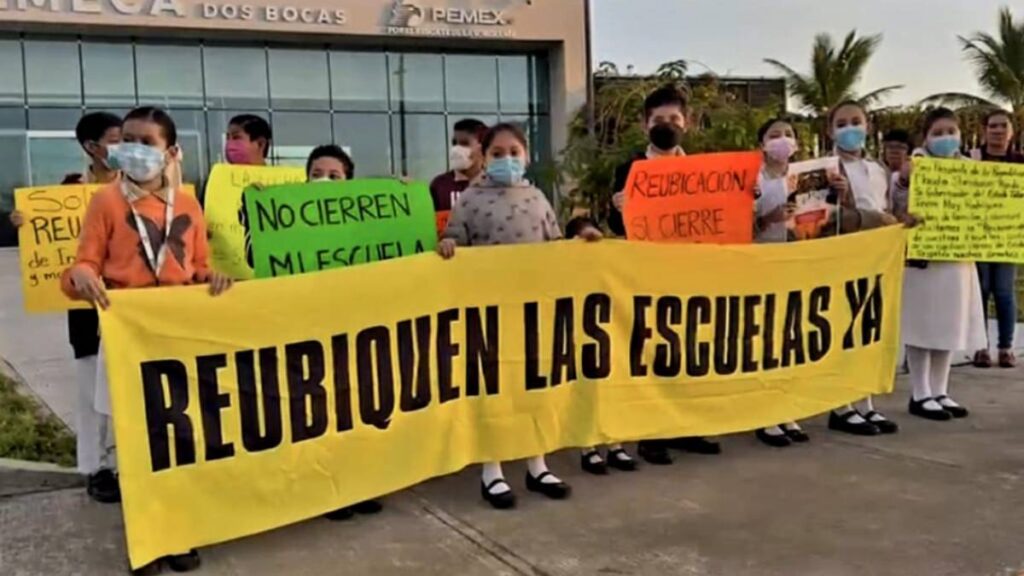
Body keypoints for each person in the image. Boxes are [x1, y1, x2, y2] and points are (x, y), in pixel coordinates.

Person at [60, 106, 233, 576]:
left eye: (146, 142)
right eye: (127, 139)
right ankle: (148, 540)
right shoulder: (106, 203)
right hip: (128, 338)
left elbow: (195, 267)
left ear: (171, 152)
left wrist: (211, 278)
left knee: (180, 438)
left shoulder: (189, 206)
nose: (133, 149)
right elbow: (84, 266)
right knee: (135, 445)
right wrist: (79, 274)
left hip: (176, 339)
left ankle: (178, 530)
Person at [437, 123, 601, 509]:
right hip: (488, 314)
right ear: (484, 156)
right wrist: (447, 244)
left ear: (526, 156)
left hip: (535, 314)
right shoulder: (470, 200)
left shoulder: (538, 198)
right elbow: (454, 241)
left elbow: (554, 246)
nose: (506, 160)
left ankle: (537, 464)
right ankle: (491, 471)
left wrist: (582, 244)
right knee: (494, 392)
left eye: (514, 152)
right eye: (497, 153)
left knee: (535, 387)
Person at [9, 112, 123, 503]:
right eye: (116, 138)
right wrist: (23, 222)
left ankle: (126, 463)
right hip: (85, 306)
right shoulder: (70, 191)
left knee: (125, 391)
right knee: (91, 391)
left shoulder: (139, 187)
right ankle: (96, 467)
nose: (125, 146)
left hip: (130, 302)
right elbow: (47, 236)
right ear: (92, 147)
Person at [606, 85, 722, 465]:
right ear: (645, 125)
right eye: (659, 121)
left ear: (685, 123)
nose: (667, 126)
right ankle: (650, 433)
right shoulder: (631, 170)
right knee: (650, 352)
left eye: (674, 120)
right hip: (645, 274)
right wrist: (618, 207)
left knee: (688, 350)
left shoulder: (701, 171)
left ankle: (686, 427)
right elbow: (613, 223)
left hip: (689, 272)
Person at [893, 107, 986, 421]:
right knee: (921, 327)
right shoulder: (912, 170)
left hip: (957, 260)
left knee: (949, 325)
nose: (946, 138)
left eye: (951, 131)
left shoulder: (971, 169)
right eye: (938, 133)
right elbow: (896, 206)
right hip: (922, 261)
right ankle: (920, 393)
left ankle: (941, 389)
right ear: (925, 137)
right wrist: (905, 184)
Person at [825, 100, 900, 437]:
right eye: (842, 123)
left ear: (868, 126)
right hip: (842, 257)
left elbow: (890, 209)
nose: (850, 129)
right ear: (830, 131)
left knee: (869, 331)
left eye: (856, 121)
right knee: (844, 330)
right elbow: (823, 219)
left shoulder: (879, 169)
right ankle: (841, 406)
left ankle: (865, 402)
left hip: (878, 259)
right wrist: (874, 220)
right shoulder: (825, 169)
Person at [563, 215, 640, 475]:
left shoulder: (607, 258)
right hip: (581, 336)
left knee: (611, 390)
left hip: (608, 333)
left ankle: (614, 443)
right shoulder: (566, 262)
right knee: (585, 391)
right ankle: (589, 447)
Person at [751, 117, 812, 448]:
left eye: (789, 135)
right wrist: (769, 219)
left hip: (797, 265)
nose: (782, 140)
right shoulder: (753, 179)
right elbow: (738, 225)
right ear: (761, 144)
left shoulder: (808, 176)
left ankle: (787, 407)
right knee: (766, 340)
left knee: (792, 339)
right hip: (762, 266)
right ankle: (765, 413)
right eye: (774, 135)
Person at [969, 109, 1023, 368]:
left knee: (1004, 292)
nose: (998, 131)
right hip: (973, 235)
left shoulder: (1020, 162)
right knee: (980, 291)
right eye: (993, 126)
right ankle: (981, 347)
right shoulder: (971, 159)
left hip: (1008, 238)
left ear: (1011, 132)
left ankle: (1005, 347)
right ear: (985, 130)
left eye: (1003, 126)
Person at [430, 118, 488, 214]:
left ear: (482, 148)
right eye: (454, 143)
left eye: (465, 143)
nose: (456, 149)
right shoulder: (439, 185)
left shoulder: (494, 184)